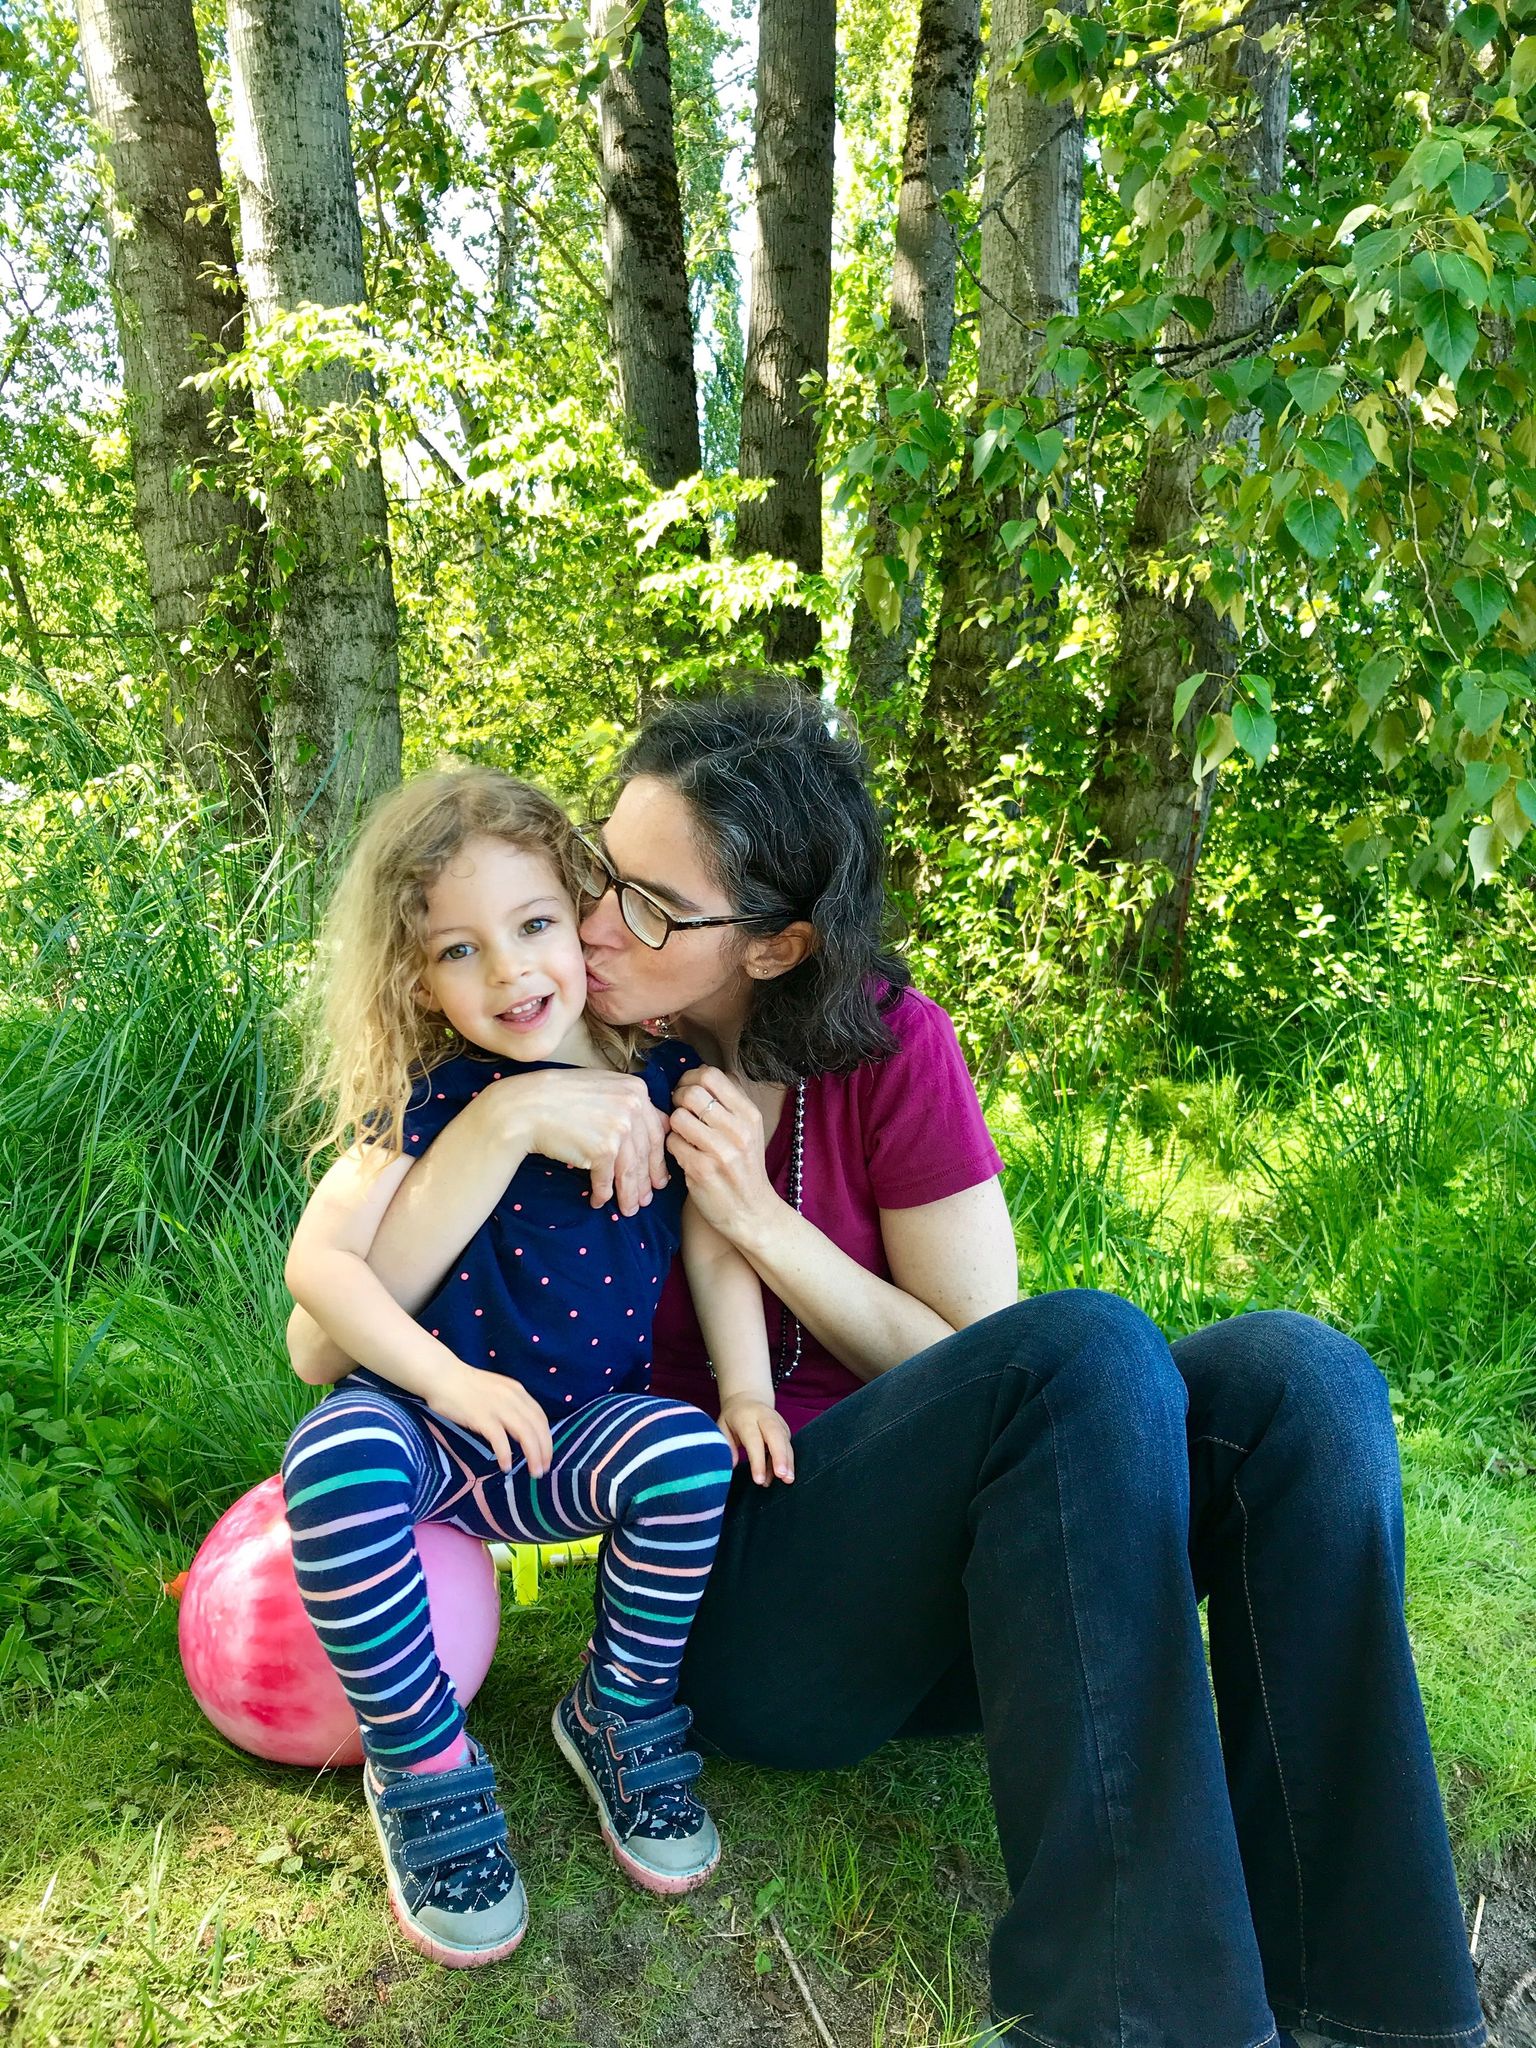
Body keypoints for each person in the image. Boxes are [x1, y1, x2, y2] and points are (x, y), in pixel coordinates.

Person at [287, 694, 1485, 2048]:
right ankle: (1143, 2022)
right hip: (740, 1607)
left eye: (655, 908)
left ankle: (1379, 2009)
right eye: (601, 876)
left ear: (780, 941)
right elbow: (320, 1336)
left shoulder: (886, 1044)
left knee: (1299, 1385)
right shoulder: (570, 1053)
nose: (602, 925)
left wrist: (758, 1222)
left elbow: (986, 1363)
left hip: (964, 1594)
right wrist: (506, 1119)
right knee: (1087, 1347)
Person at [280, 766, 795, 1970]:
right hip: (433, 1433)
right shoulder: (418, 1104)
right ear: (416, 977)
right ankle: (423, 1761)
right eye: (459, 951)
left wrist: (746, 1388)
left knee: (679, 1450)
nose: (510, 973)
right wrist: (444, 1383)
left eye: (531, 926)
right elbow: (321, 1274)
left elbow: (718, 1245)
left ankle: (616, 1706)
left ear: (579, 913)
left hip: (566, 1441)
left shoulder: (663, 1089)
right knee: (336, 1448)